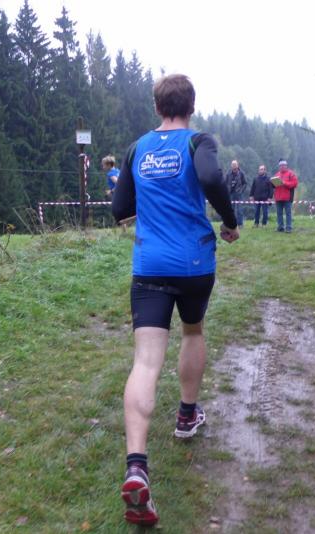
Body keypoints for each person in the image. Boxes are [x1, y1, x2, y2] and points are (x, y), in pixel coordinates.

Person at [112, 73, 239, 526]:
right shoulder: (198, 141)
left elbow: (119, 209)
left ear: (156, 106)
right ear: (191, 106)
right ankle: (186, 416)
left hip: (149, 265)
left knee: (146, 361)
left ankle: (136, 468)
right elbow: (210, 176)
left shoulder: (137, 148)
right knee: (192, 331)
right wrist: (230, 221)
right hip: (194, 264)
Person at [272, 159, 298, 233]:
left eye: (283, 165)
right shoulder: (277, 174)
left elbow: (295, 183)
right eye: (280, 166)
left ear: (286, 166)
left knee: (288, 213)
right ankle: (280, 227)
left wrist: (284, 183)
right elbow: (274, 185)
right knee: (279, 213)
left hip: (287, 197)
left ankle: (288, 228)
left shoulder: (291, 174)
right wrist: (272, 183)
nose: (282, 167)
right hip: (278, 197)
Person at [224, 160, 247, 227]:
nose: (234, 166)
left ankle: (240, 224)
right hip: (230, 194)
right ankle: (232, 224)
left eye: (235, 165)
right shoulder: (228, 174)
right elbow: (225, 183)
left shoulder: (241, 173)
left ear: (237, 165)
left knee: (240, 210)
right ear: (231, 166)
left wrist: (241, 191)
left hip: (239, 194)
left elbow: (245, 183)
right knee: (231, 210)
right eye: (233, 165)